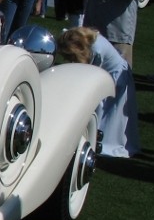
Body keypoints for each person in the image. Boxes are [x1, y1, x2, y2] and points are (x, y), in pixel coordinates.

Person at [56, 27, 139, 157]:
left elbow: (92, 77)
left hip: (116, 79)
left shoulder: (96, 51)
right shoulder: (88, 41)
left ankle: (96, 138)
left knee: (105, 110)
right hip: (108, 74)